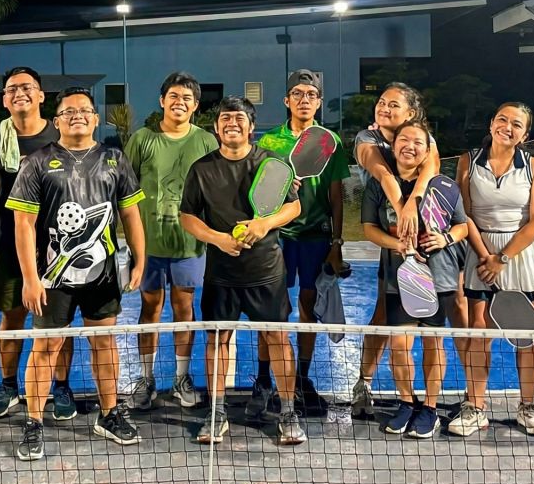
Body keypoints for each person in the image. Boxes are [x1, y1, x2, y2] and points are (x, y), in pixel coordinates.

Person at [6, 87, 147, 460]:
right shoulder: (37, 162)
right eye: (68, 111)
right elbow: (23, 225)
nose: (77, 115)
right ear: (57, 121)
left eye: (84, 110)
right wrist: (30, 278)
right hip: (53, 277)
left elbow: (131, 214)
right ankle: (34, 422)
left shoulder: (115, 159)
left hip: (103, 276)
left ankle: (109, 413)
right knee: (46, 347)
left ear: (96, 119)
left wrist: (140, 259)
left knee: (104, 343)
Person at [180, 95, 306, 446]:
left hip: (266, 271)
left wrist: (264, 224)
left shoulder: (272, 164)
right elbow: (188, 217)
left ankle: (287, 412)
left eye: (239, 118)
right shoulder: (202, 169)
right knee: (217, 339)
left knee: (277, 338)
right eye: (225, 118)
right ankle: (217, 412)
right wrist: (218, 239)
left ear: (251, 127)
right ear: (216, 127)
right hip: (221, 273)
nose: (231, 123)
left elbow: (293, 207)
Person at [362, 120, 483, 438]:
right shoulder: (378, 185)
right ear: (394, 146)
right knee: (400, 344)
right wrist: (397, 244)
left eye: (418, 142)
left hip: (439, 277)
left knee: (433, 341)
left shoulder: (444, 186)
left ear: (428, 151)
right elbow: (369, 229)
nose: (410, 146)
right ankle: (406, 402)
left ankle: (429, 407)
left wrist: (445, 239)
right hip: (399, 278)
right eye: (404, 139)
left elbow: (462, 226)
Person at [0, 68, 78, 422]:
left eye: (27, 87)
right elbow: (0, 187)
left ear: (40, 95)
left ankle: (61, 387)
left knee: (58, 321)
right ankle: (8, 386)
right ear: (5, 99)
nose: (19, 93)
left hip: (56, 246)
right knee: (11, 316)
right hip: (9, 242)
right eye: (12, 89)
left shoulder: (59, 133)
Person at [451, 101, 534, 437]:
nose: (507, 127)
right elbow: (464, 214)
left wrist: (502, 258)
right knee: (480, 329)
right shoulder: (468, 161)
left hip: (522, 255)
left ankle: (528, 406)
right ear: (491, 123)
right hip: (480, 252)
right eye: (502, 119)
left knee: (526, 334)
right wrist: (486, 257)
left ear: (525, 134)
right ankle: (475, 406)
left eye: (516, 124)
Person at [251, 69, 349, 416]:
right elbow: (260, 190)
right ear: (286, 100)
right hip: (277, 237)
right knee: (271, 309)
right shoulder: (269, 142)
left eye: (311, 94)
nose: (304, 99)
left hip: (315, 237)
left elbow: (336, 196)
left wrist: (336, 243)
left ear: (319, 102)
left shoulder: (330, 141)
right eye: (297, 93)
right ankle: (264, 379)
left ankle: (302, 378)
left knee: (309, 306)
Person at [124, 71, 218, 411]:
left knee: (184, 309)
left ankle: (180, 378)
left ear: (195, 106)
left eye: (187, 98)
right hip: (149, 246)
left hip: (189, 246)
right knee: (150, 308)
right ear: (162, 101)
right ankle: (146, 379)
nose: (180, 102)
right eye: (174, 96)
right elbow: (125, 190)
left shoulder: (206, 141)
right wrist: (132, 244)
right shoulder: (142, 139)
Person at [350, 83, 440, 417]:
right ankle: (364, 383)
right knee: (383, 315)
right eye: (381, 102)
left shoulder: (422, 139)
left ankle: (464, 400)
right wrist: (403, 211)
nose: (384, 108)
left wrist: (414, 203)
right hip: (393, 238)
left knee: (441, 322)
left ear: (411, 113)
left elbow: (430, 170)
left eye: (393, 104)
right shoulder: (367, 138)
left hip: (430, 242)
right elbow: (383, 174)